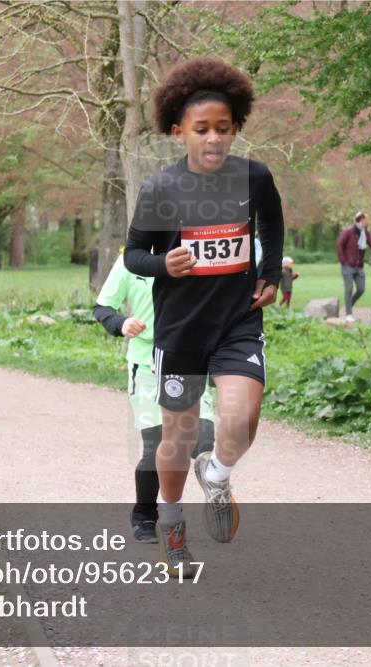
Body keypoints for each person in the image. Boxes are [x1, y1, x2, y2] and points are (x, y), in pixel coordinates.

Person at [124, 57, 284, 578]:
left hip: (237, 321)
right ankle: (172, 524)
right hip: (180, 331)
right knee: (178, 435)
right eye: (201, 130)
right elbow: (133, 255)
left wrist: (270, 276)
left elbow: (274, 225)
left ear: (235, 127)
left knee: (242, 419)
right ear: (178, 132)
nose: (213, 139)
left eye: (223, 128)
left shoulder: (254, 178)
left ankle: (217, 475)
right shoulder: (160, 190)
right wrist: (162, 264)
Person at [94, 251, 217, 543]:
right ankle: (145, 514)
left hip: (187, 358)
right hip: (145, 364)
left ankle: (214, 491)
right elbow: (102, 307)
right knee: (157, 443)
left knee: (204, 438)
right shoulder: (130, 260)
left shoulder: (194, 251)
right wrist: (121, 323)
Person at [337, 211, 371, 323]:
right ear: (361, 220)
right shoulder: (349, 231)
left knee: (361, 289)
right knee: (348, 289)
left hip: (359, 266)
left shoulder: (365, 233)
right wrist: (344, 261)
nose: (368, 221)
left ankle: (349, 305)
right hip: (348, 266)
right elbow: (340, 245)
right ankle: (349, 314)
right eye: (367, 219)